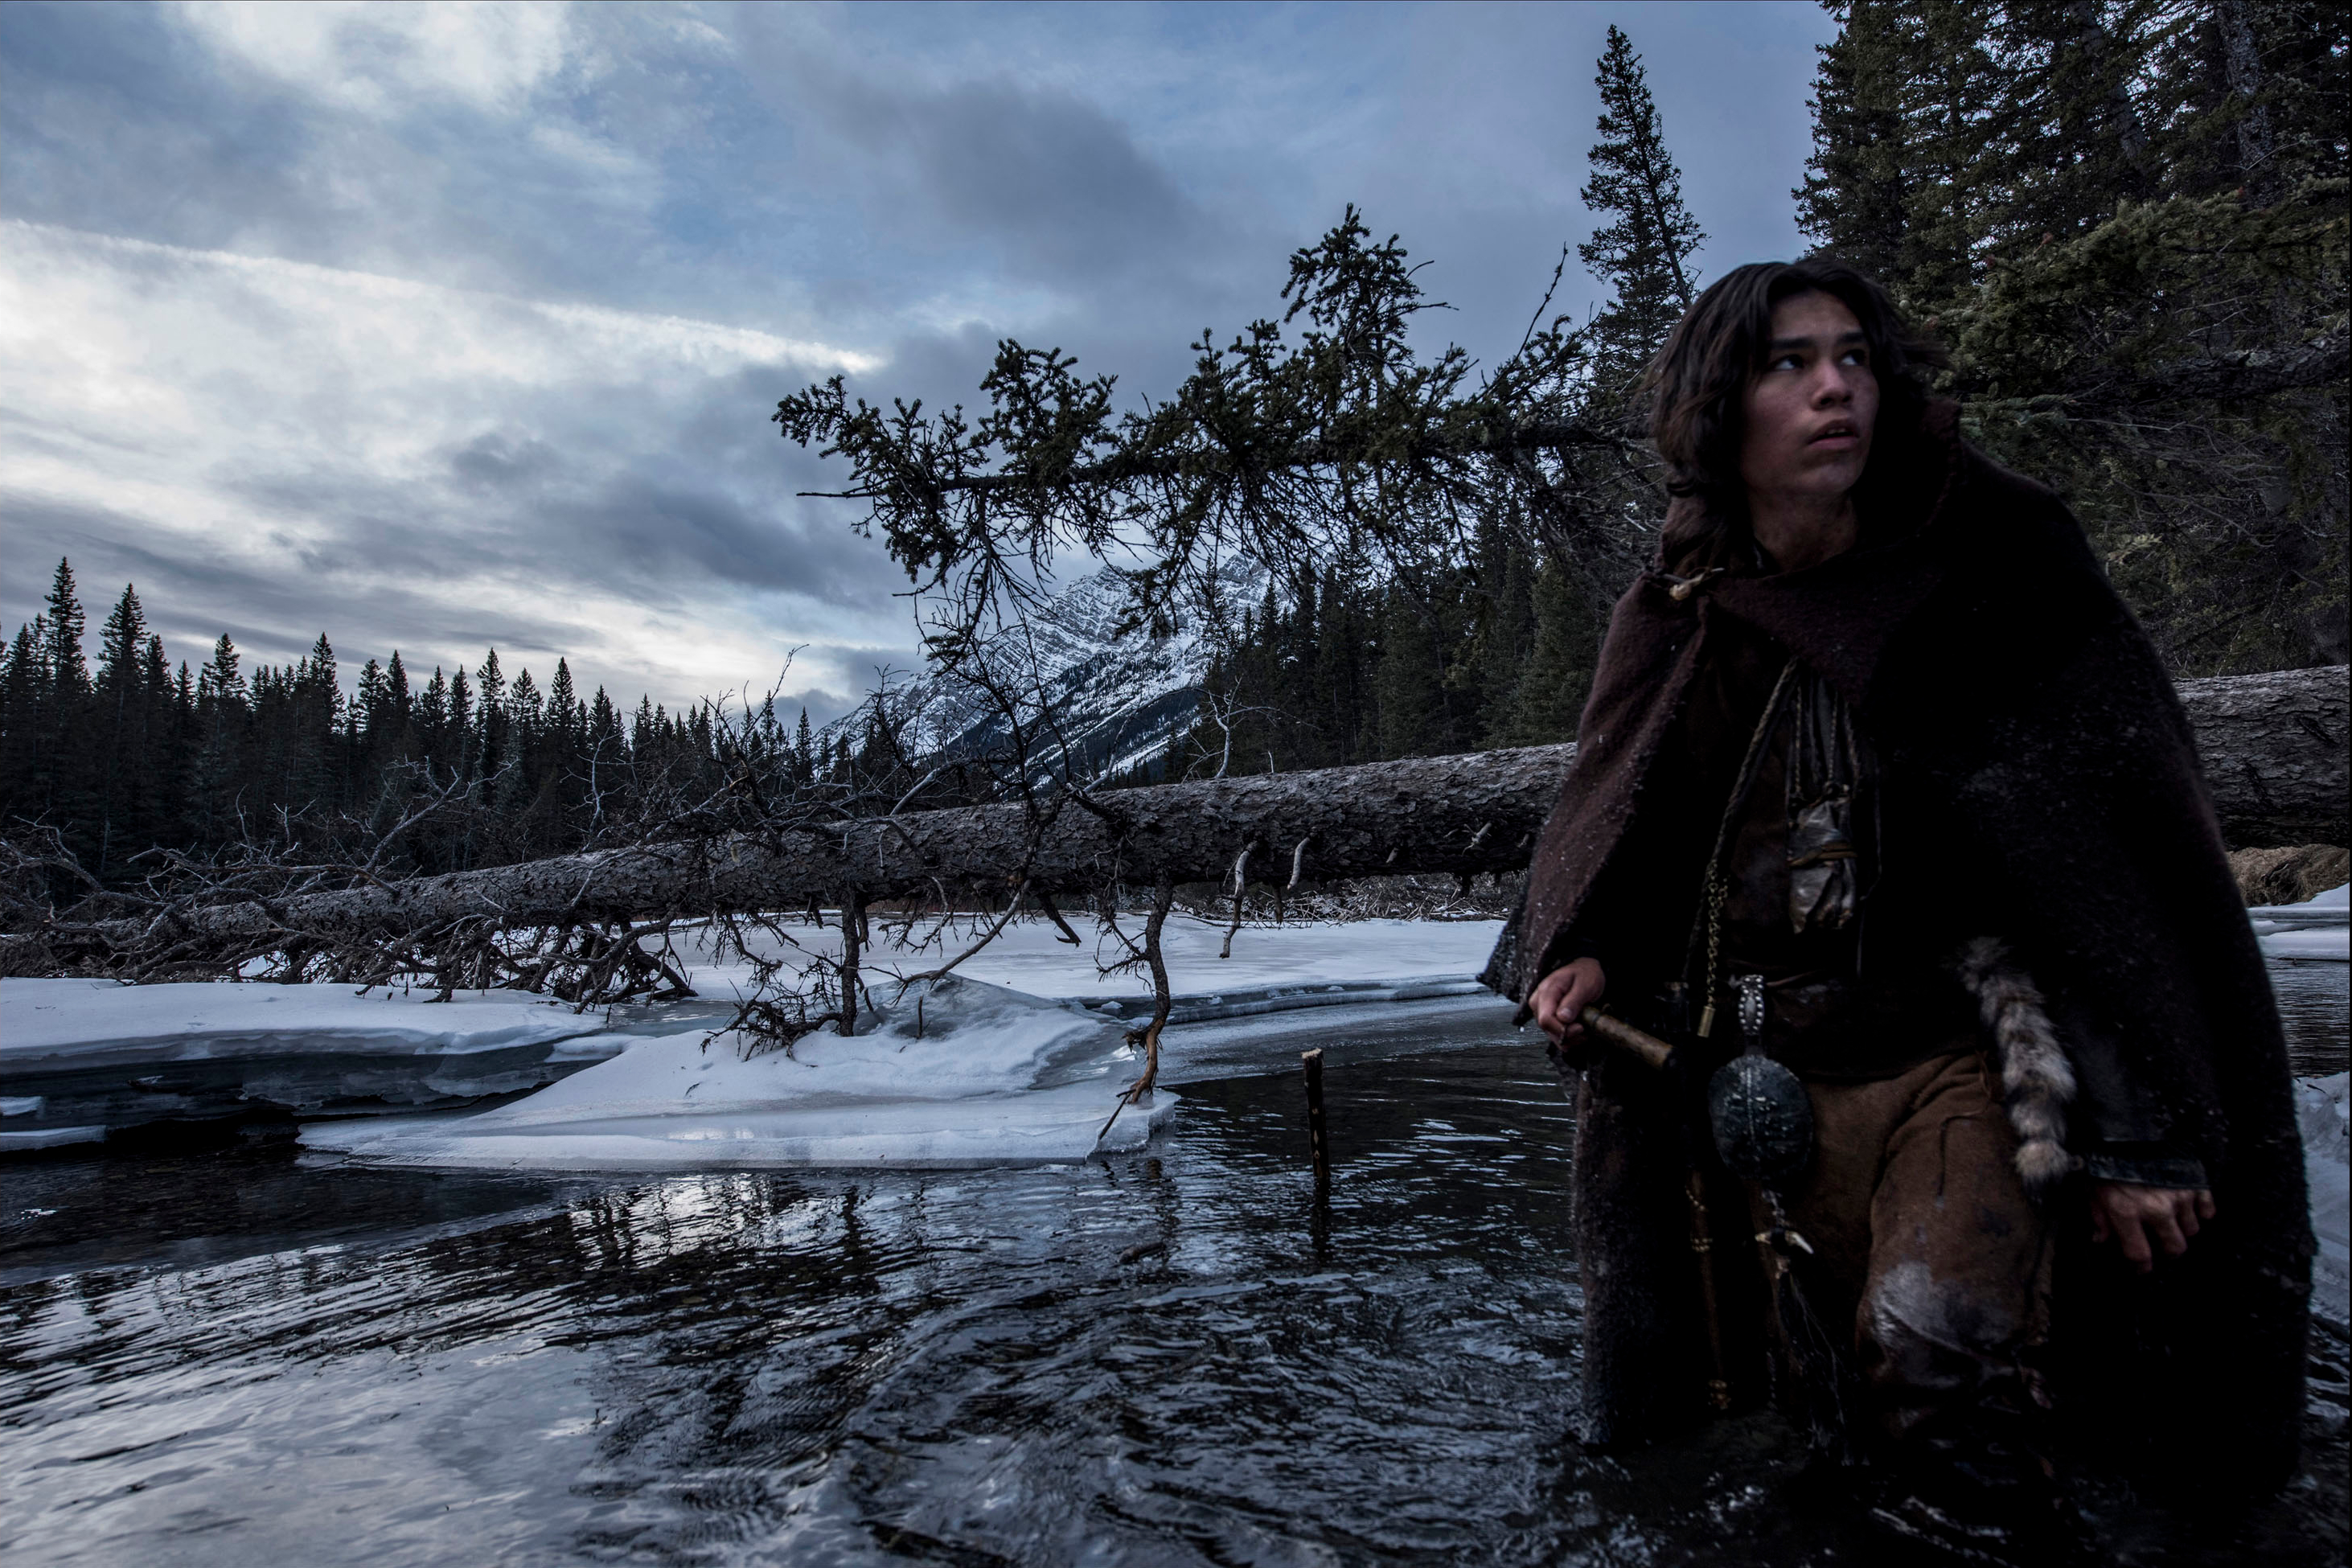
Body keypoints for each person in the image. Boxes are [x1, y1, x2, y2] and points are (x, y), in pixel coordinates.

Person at [1484, 259, 2311, 1550]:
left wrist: (2133, 1133)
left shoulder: (1989, 571)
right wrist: (1584, 949)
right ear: (1718, 404)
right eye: (1788, 363)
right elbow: (1627, 832)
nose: (1834, 389)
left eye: (1854, 357)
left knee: (1936, 1368)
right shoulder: (1680, 610)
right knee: (1790, 1416)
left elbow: (2107, 873)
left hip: (1955, 1063)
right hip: (1752, 1083)